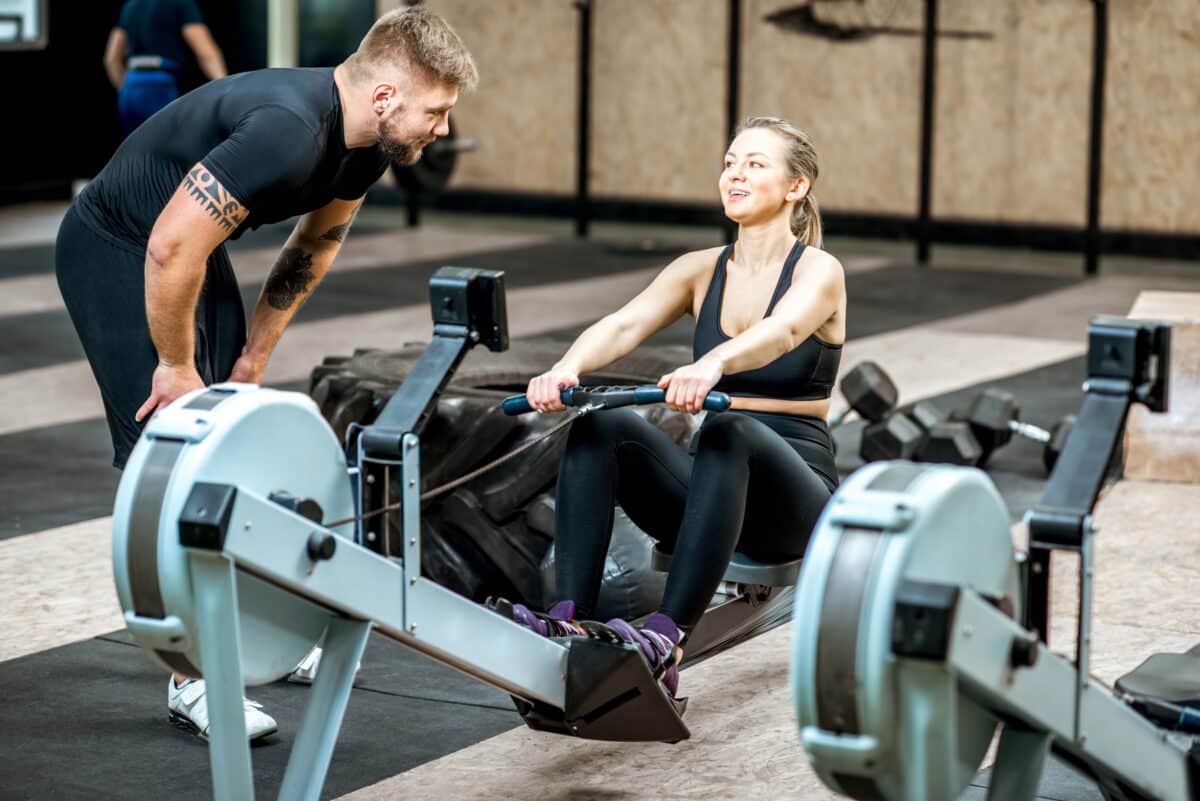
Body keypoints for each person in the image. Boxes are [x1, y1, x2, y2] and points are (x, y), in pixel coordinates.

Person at [57, 6, 477, 741]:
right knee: (170, 456)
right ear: (385, 99)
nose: (441, 129)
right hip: (118, 243)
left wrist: (252, 357)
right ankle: (194, 678)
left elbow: (311, 249)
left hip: (186, 249)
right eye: (436, 112)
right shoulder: (288, 129)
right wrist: (176, 366)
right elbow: (165, 247)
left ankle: (258, 626)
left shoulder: (367, 148)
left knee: (232, 444)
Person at [512, 117, 845, 699]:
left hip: (794, 504)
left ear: (797, 187)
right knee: (601, 427)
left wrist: (714, 364)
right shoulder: (699, 269)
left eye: (756, 164)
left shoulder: (819, 271)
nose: (735, 174)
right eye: (730, 162)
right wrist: (568, 368)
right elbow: (625, 324)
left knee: (729, 431)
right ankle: (569, 617)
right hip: (714, 497)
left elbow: (785, 331)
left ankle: (666, 638)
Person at [103, 0, 229, 135]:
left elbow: (111, 59)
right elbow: (206, 53)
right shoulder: (181, 3)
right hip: (159, 84)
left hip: (131, 85)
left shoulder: (131, 5)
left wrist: (125, 88)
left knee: (137, 151)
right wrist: (227, 89)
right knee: (170, 146)